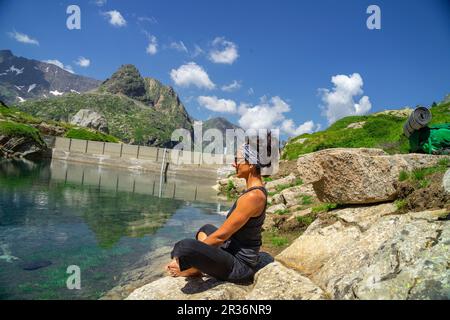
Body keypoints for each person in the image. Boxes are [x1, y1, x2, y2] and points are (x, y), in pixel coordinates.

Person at [165, 143, 270, 283]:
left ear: (250, 164)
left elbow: (221, 237)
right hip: (231, 250)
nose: (234, 164)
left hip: (240, 266)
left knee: (185, 247)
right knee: (205, 229)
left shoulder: (253, 196)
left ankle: (192, 268)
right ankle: (197, 266)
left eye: (237, 160)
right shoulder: (255, 192)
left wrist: (182, 260)